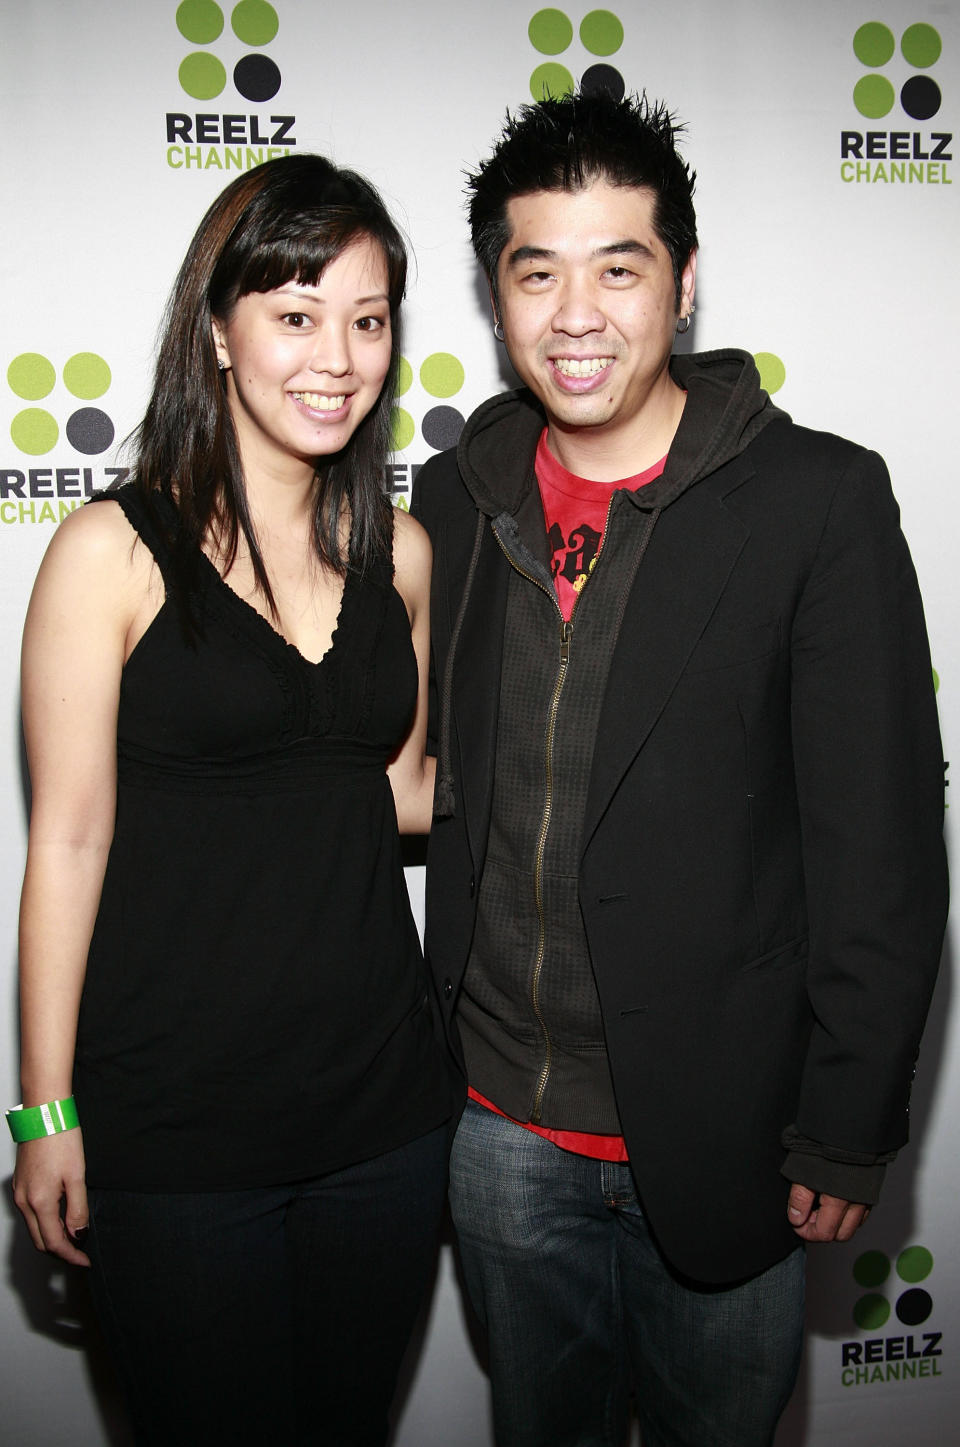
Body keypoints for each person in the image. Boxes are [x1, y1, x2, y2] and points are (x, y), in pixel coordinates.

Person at [411, 91, 948, 1447]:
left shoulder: (815, 501)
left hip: (728, 1139)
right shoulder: (450, 500)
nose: (576, 312)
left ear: (685, 283)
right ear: (498, 293)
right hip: (499, 1129)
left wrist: (843, 1127)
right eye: (538, 271)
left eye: (620, 266)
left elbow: (880, 845)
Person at [10, 154, 456, 1447]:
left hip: (383, 1119)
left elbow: (397, 791)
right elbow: (72, 841)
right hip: (176, 1132)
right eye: (297, 313)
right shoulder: (109, 553)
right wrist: (46, 1109)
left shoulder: (403, 555)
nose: (338, 356)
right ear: (219, 328)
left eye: (368, 320)